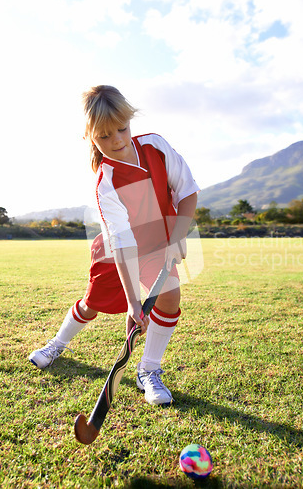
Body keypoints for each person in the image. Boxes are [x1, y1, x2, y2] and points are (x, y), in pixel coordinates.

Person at [29, 85, 199, 406]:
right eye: (105, 136)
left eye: (122, 128)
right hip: (116, 253)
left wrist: (178, 235)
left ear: (129, 119)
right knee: (93, 304)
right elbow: (122, 245)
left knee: (169, 298)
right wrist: (134, 302)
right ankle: (57, 344)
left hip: (158, 243)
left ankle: (148, 371)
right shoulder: (106, 182)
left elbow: (187, 191)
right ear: (90, 137)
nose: (117, 140)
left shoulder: (155, 146)